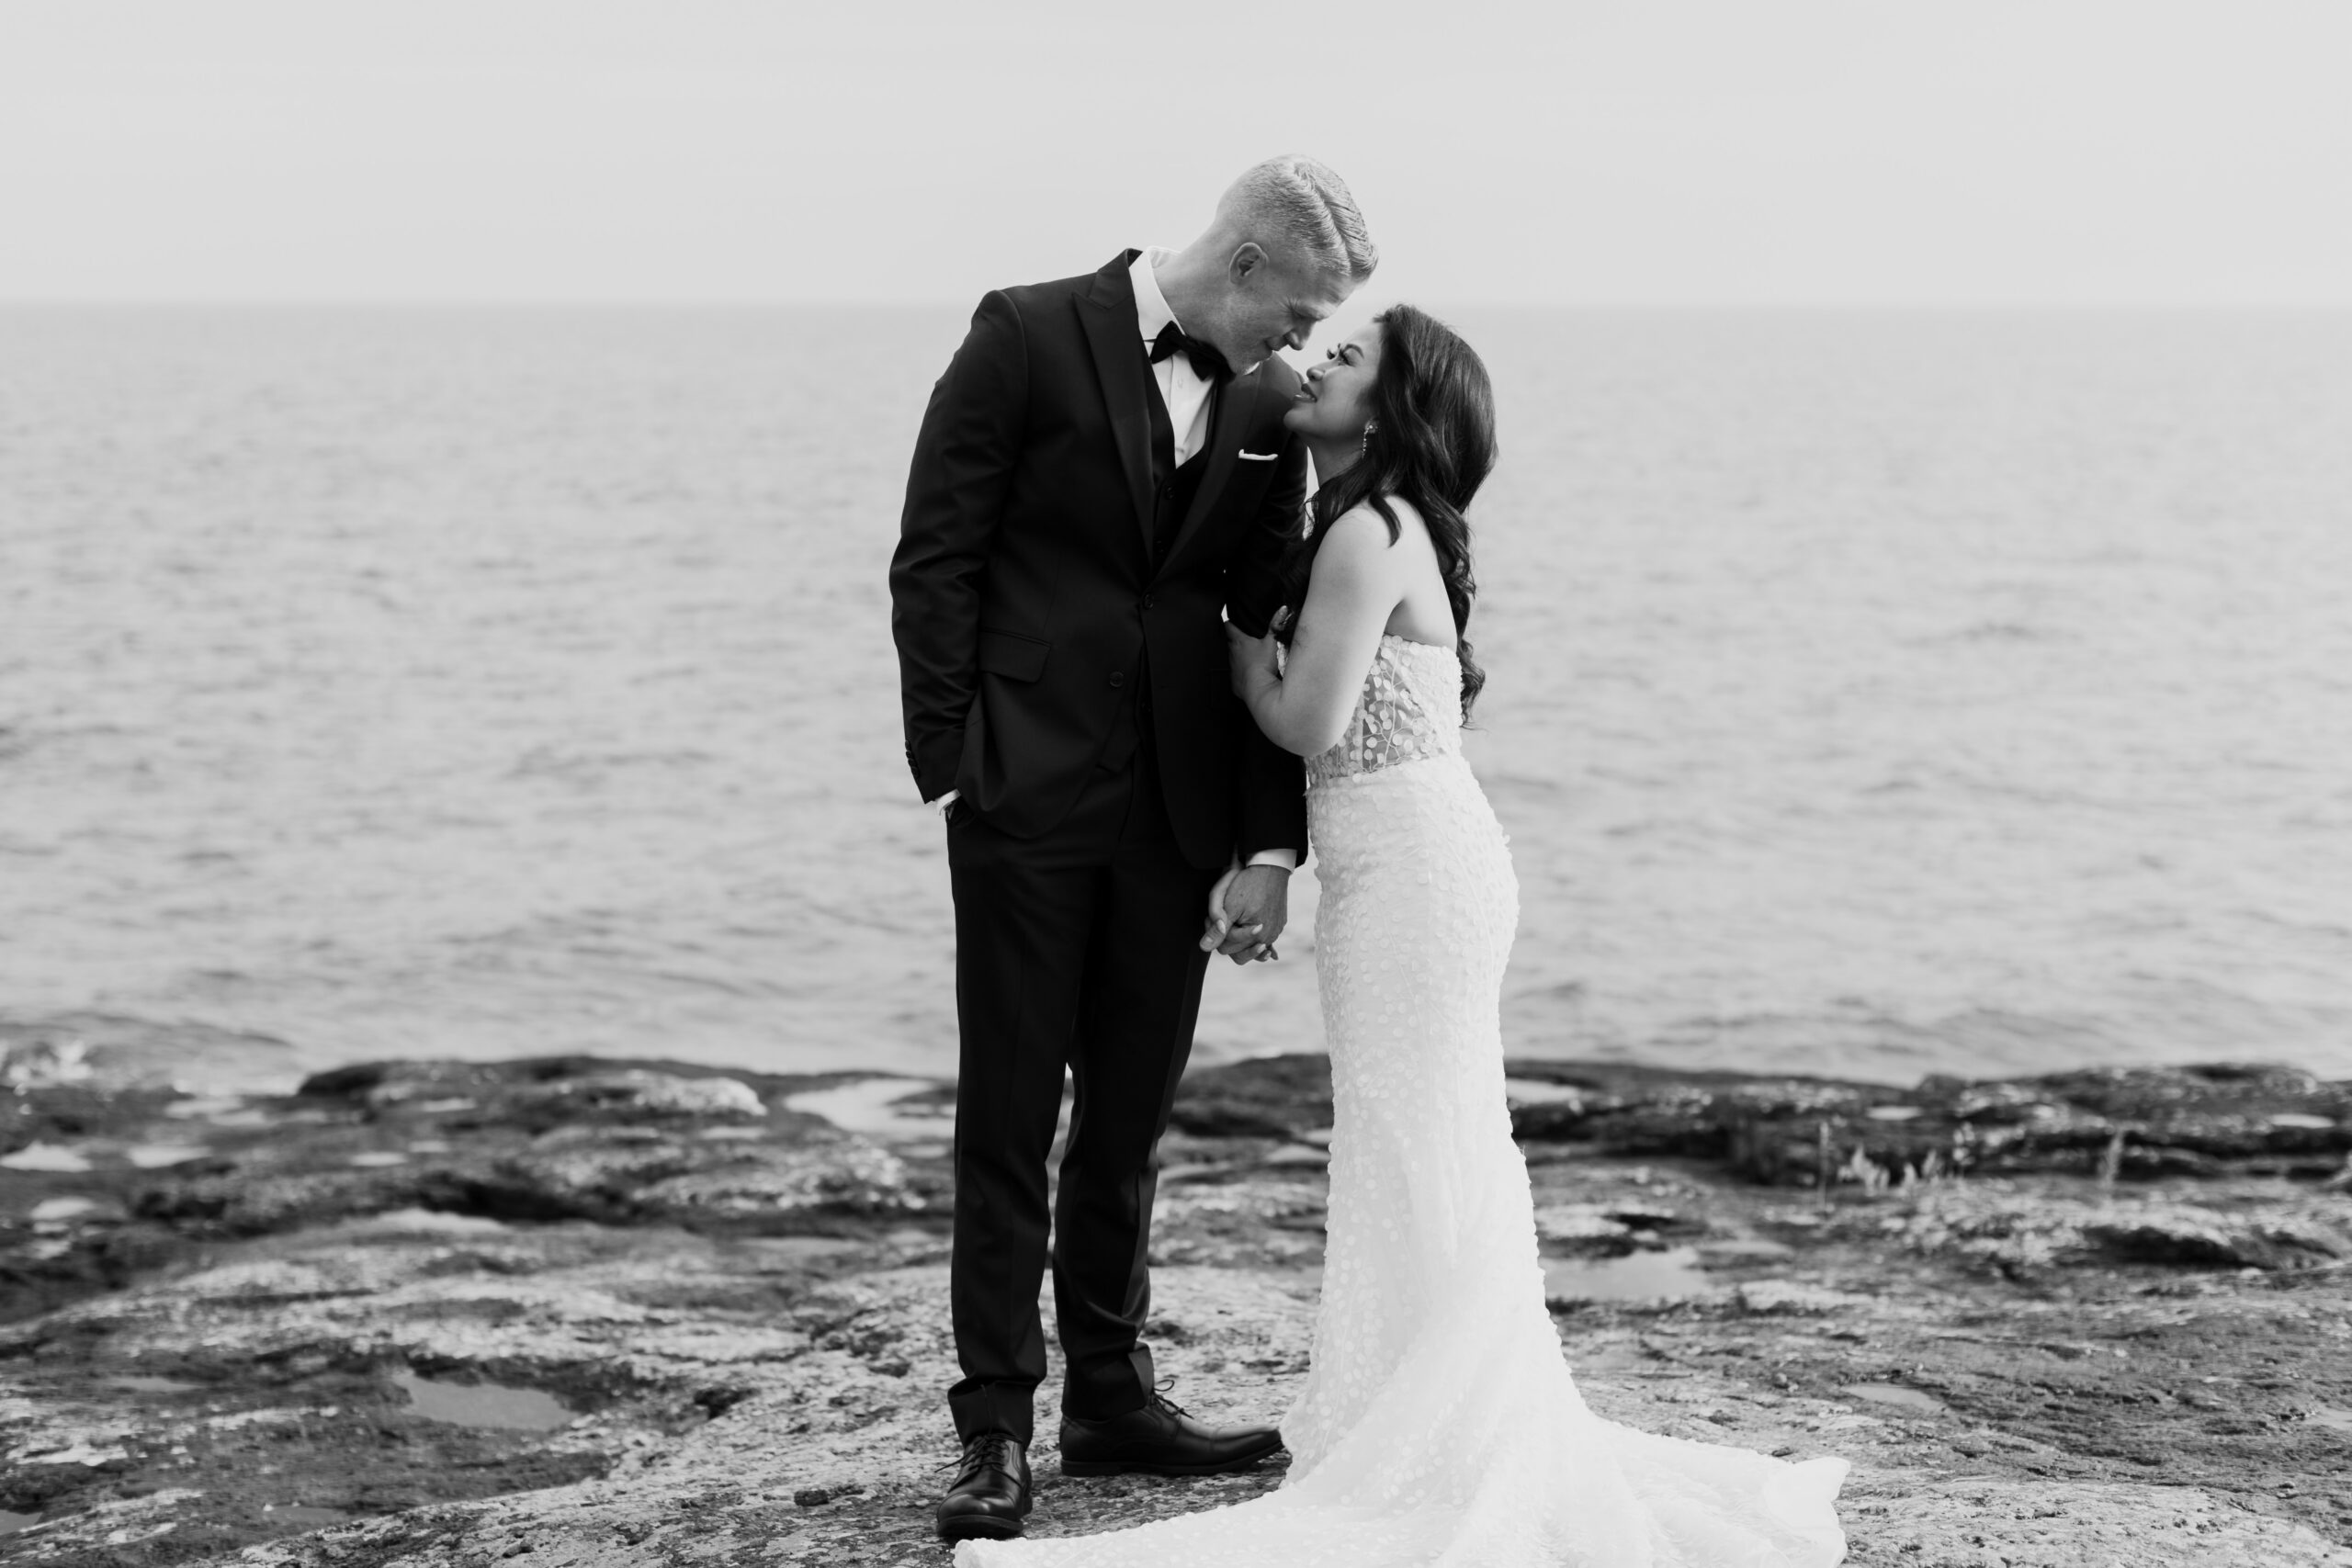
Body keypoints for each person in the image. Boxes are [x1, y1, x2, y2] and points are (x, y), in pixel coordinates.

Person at [952, 306, 1850, 1565]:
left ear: (1388, 411)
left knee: (1416, 1138)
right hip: (1406, 868)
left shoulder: (1365, 535)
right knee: (1418, 1140)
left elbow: (1310, 721)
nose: (1317, 358)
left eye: (1350, 356)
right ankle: (1435, 1415)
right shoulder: (1358, 526)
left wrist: (1219, 642)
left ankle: (1459, 1432)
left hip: (1416, 877)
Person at [888, 155, 1377, 1544]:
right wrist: (955, 769)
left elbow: (1263, 608)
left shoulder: (1272, 405)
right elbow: (937, 558)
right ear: (1243, 266)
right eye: (1299, 311)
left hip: (1176, 815)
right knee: (1005, 1120)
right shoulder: (1024, 334)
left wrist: (1268, 839)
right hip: (1022, 801)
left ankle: (1111, 1394)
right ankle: (993, 1429)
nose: (1303, 345)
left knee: (1127, 1120)